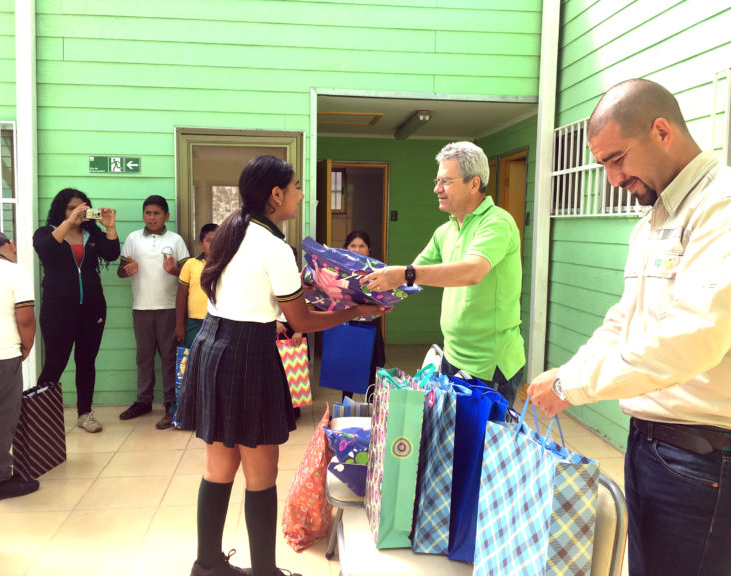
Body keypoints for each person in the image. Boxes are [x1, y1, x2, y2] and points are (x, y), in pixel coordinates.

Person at [528, 78, 731, 576]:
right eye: (604, 164)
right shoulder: (652, 220)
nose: (612, 178)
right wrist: (569, 373)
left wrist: (575, 385)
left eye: (617, 159)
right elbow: (624, 321)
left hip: (707, 459)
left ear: (661, 131)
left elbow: (692, 339)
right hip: (653, 446)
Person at [176, 155, 386, 576]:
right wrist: (355, 310)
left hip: (213, 347)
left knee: (218, 468)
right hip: (249, 354)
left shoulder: (232, 230)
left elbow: (253, 294)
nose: (301, 194)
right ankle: (265, 572)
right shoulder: (274, 247)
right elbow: (303, 322)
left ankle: (208, 564)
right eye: (295, 187)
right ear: (276, 195)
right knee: (261, 472)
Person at [362, 141, 525, 407]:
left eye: (446, 181)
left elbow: (472, 271)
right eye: (437, 181)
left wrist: (404, 275)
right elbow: (408, 279)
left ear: (474, 184)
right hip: (451, 356)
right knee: (452, 442)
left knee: (479, 446)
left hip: (489, 365)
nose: (436, 189)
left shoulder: (497, 222)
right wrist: (363, 297)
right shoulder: (445, 231)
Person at [33, 188, 120, 433]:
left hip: (92, 309)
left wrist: (109, 227)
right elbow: (46, 249)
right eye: (72, 207)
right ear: (62, 209)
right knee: (55, 363)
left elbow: (111, 254)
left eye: (82, 207)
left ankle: (85, 414)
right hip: (58, 310)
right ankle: (41, 418)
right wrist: (69, 222)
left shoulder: (91, 234)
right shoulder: (46, 232)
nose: (78, 212)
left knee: (86, 362)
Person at [117, 195, 189, 429]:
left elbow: (188, 274)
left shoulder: (175, 240)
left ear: (166, 216)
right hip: (141, 307)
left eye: (156, 213)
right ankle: (143, 401)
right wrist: (127, 269)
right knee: (144, 357)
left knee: (169, 358)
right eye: (147, 213)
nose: (151, 217)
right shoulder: (133, 238)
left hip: (169, 308)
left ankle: (170, 403)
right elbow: (120, 271)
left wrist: (173, 270)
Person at [0, 231, 39, 500]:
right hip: (0, 355)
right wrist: (26, 346)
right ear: (10, 245)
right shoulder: (14, 271)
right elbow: (26, 318)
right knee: (0, 417)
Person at [341, 230, 386, 401]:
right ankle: (346, 408)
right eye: (353, 245)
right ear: (345, 248)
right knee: (347, 370)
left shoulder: (378, 271)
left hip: (370, 325)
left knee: (372, 369)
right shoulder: (337, 270)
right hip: (347, 324)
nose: (357, 250)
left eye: (362, 246)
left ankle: (372, 411)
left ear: (369, 250)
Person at [175, 223, 218, 349]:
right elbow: (181, 296)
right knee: (189, 360)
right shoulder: (191, 264)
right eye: (209, 241)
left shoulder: (226, 265)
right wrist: (179, 325)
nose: (214, 245)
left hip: (219, 321)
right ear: (201, 243)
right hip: (194, 321)